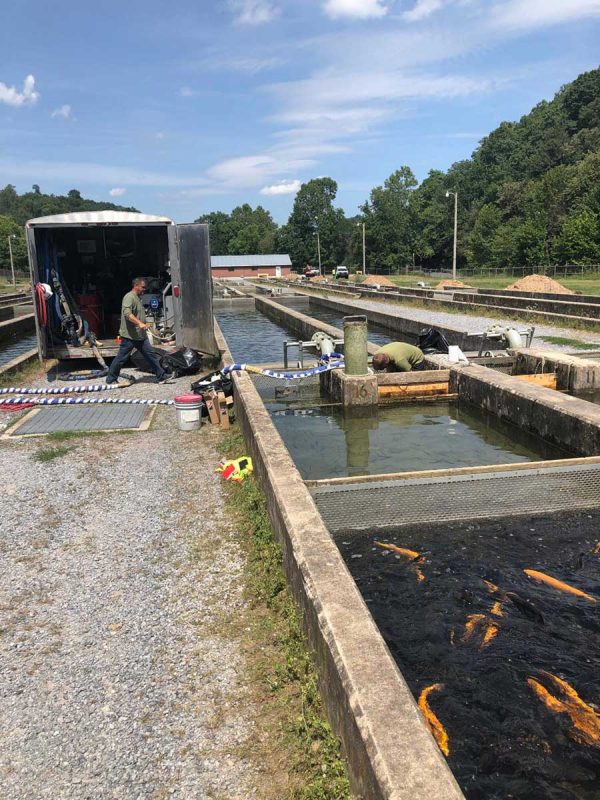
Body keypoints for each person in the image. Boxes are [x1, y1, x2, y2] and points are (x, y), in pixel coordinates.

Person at [106, 277, 171, 384]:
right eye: (143, 287)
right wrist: (140, 323)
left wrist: (144, 323)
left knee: (151, 355)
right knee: (121, 358)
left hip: (140, 335)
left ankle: (161, 375)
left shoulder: (137, 297)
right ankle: (111, 379)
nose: (144, 290)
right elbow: (127, 314)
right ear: (136, 286)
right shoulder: (129, 297)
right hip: (129, 336)